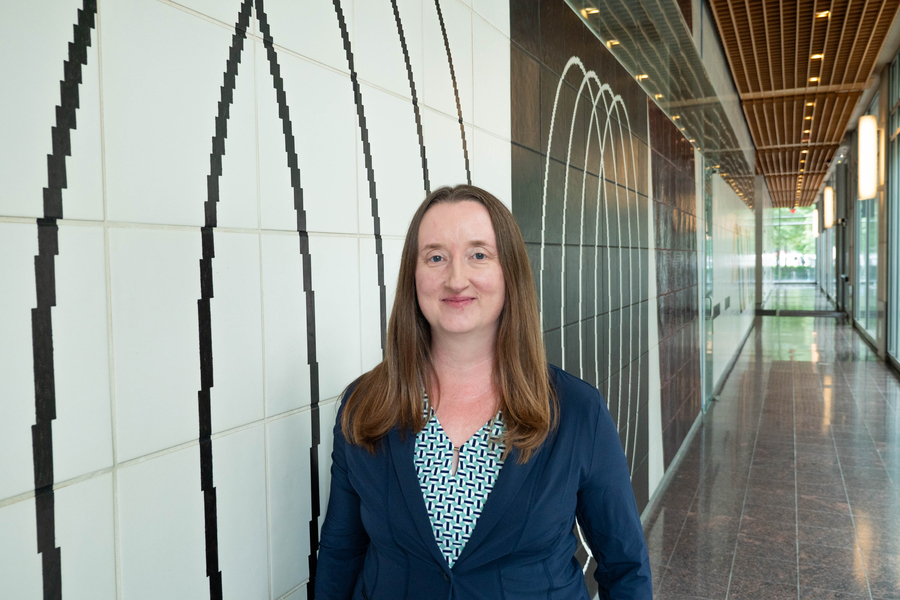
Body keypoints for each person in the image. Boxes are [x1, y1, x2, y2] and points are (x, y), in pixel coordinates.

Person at [315, 185, 651, 599]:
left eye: (478, 255)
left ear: (509, 272)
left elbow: (626, 566)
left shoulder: (577, 410)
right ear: (412, 277)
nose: (456, 279)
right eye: (435, 257)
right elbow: (342, 552)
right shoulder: (366, 405)